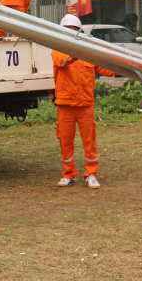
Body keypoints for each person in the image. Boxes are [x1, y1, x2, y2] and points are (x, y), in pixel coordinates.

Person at [51, 14, 118, 189]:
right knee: (65, 141)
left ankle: (91, 175)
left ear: (79, 31)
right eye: (67, 30)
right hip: (65, 104)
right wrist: (80, 51)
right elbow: (63, 61)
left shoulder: (89, 51)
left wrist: (126, 63)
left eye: (73, 29)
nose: (71, 32)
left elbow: (107, 70)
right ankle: (69, 174)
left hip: (85, 104)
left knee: (90, 142)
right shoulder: (58, 48)